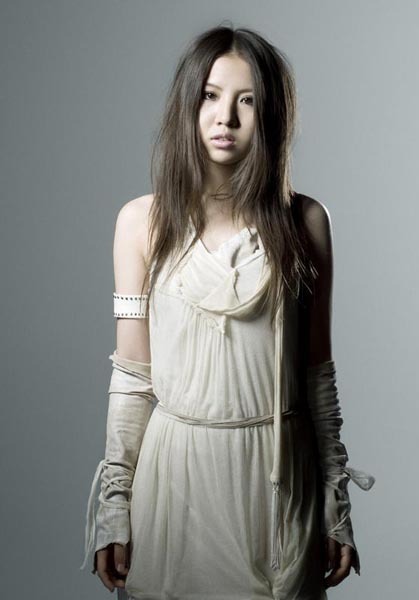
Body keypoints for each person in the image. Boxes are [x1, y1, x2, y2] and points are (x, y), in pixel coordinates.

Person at [80, 23, 375, 600]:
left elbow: (317, 373)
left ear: (270, 116)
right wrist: (114, 504)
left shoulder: (305, 222)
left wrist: (335, 499)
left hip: (276, 485)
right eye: (211, 96)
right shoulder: (140, 223)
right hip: (174, 484)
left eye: (247, 101)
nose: (226, 119)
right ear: (188, 105)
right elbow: (133, 378)